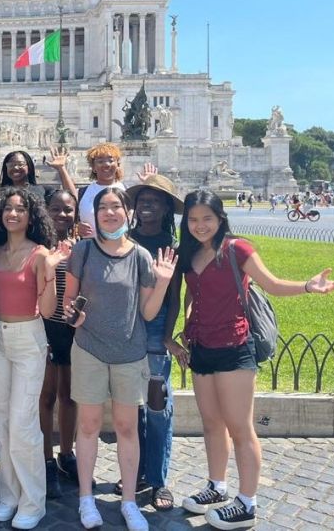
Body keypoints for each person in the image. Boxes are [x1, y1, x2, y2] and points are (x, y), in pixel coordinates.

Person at [177, 190, 334, 529]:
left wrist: (307, 286)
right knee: (212, 423)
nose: (200, 226)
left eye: (207, 219)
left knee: (240, 427)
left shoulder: (238, 248)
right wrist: (187, 325)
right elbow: (190, 293)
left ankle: (247, 502)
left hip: (234, 345)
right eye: (193, 220)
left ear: (220, 219)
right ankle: (217, 486)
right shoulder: (190, 253)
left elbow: (271, 283)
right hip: (202, 347)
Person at [63, 186, 177, 531]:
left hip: (129, 353)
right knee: (88, 426)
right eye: (103, 208)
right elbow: (68, 301)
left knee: (128, 428)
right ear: (95, 215)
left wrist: (162, 283)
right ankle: (86, 497)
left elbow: (146, 312)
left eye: (116, 207)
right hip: (89, 350)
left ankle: (129, 501)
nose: (110, 213)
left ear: (127, 213)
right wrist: (73, 315)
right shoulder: (82, 251)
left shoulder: (141, 256)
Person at [0, 188, 68, 530]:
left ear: (31, 216)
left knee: (23, 424)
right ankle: (9, 494)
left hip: (28, 339)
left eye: (20, 209)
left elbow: (48, 310)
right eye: (8, 208)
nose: (13, 214)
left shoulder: (39, 254)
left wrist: (49, 272)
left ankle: (33, 500)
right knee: (1, 417)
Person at [125, 175, 185, 513]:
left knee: (157, 405)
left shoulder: (170, 245)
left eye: (155, 200)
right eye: (142, 199)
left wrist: (167, 335)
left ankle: (159, 479)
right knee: (131, 408)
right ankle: (138, 473)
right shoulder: (126, 239)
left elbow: (175, 298)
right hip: (128, 328)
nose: (147, 204)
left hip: (155, 328)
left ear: (165, 209)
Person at [39, 189, 80, 497]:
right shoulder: (39, 245)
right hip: (45, 327)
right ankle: (46, 459)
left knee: (70, 396)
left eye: (68, 209)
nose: (62, 214)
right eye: (56, 208)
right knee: (47, 396)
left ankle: (67, 453)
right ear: (46, 210)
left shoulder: (84, 245)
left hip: (74, 330)